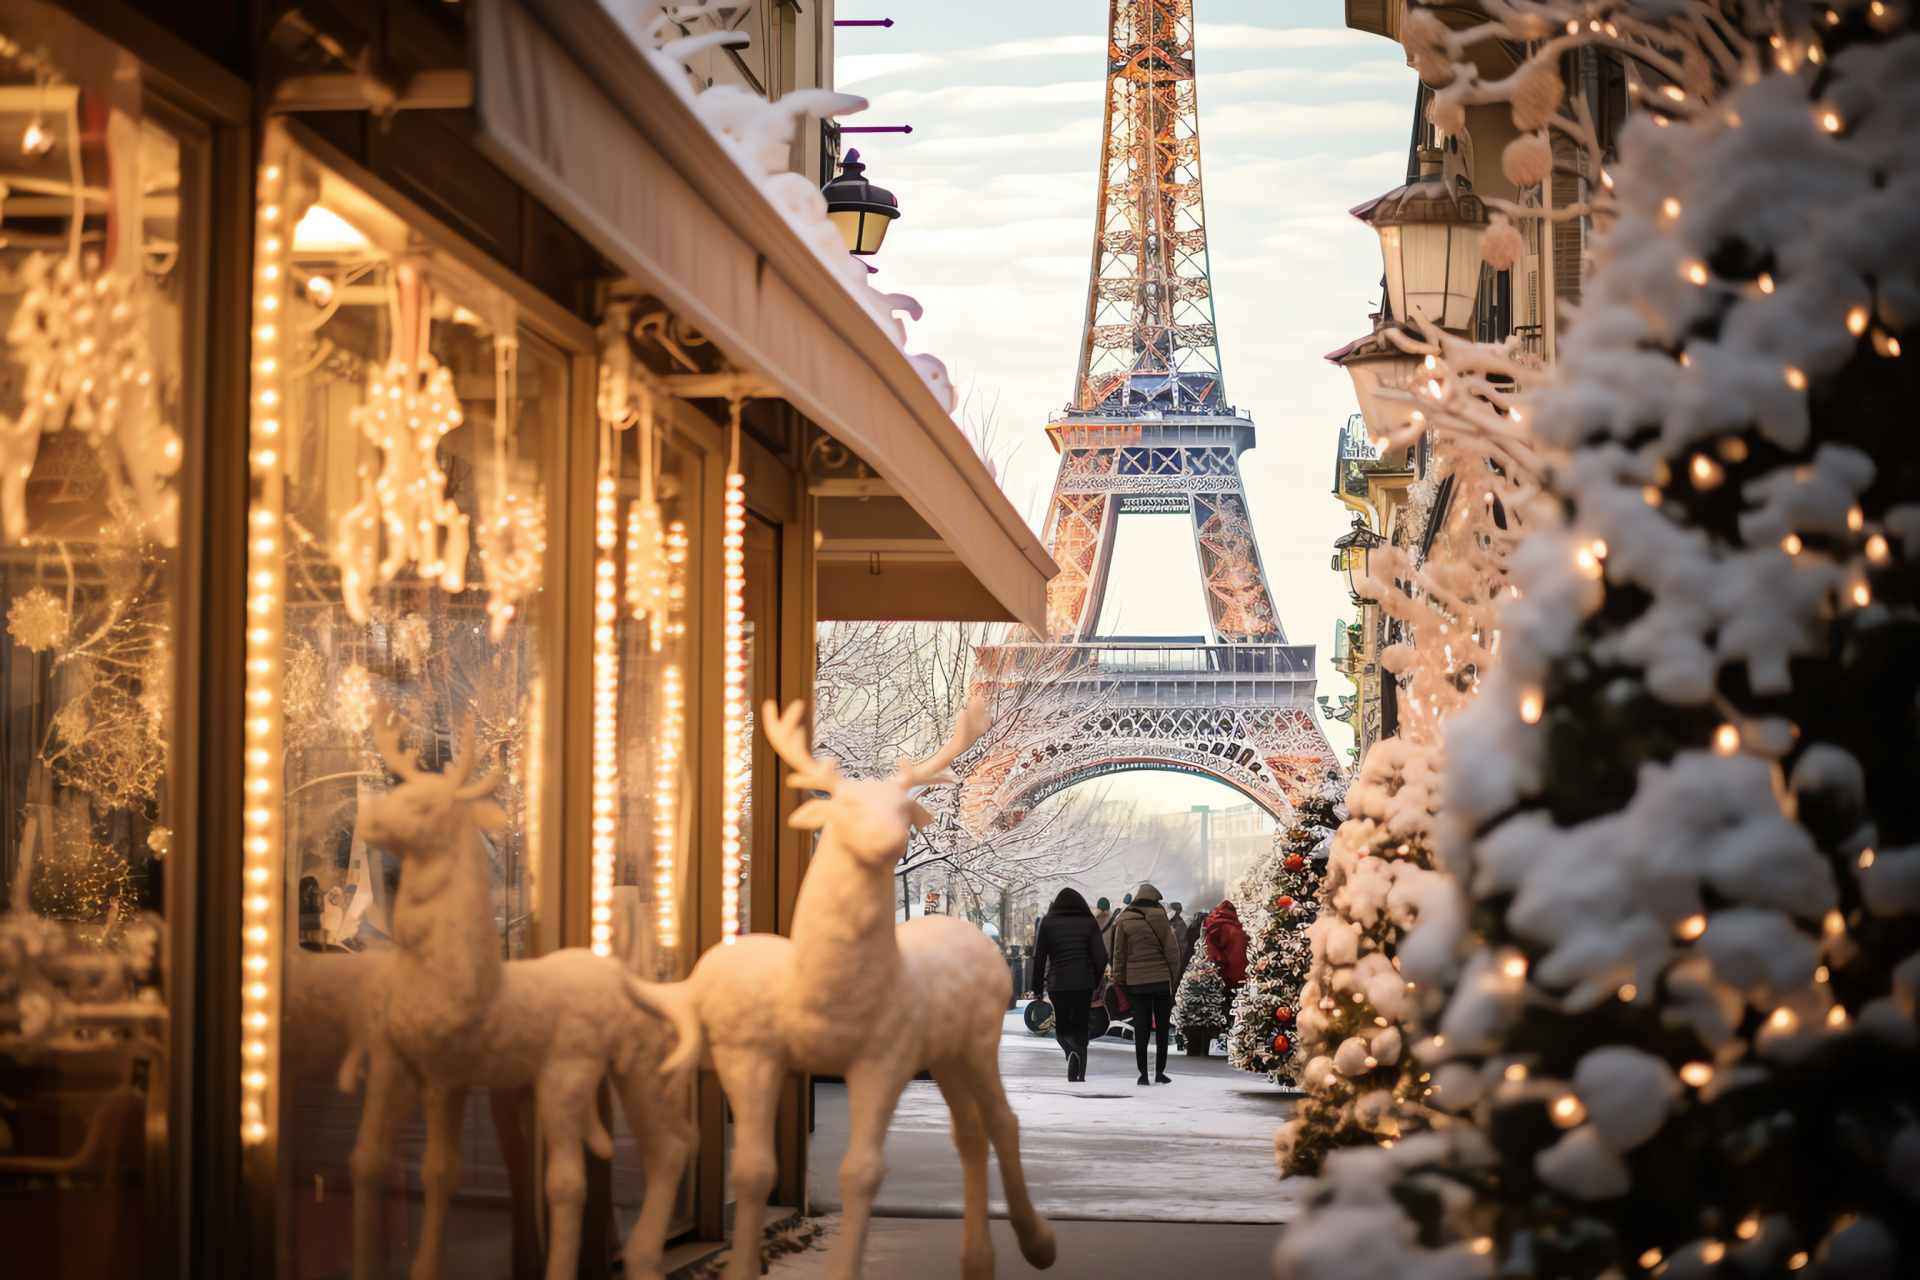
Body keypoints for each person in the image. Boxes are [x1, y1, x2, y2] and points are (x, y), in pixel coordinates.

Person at [1028, 887, 1108, 1081]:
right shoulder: (1089, 923)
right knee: (1081, 1023)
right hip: (1084, 983)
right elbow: (1101, 957)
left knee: (1063, 1024)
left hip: (1059, 983)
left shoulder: (1048, 923)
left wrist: (1037, 988)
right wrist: (1096, 981)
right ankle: (1079, 1067)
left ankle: (1069, 1047)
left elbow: (1039, 958)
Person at [1109, 881, 1183, 1085]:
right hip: (1161, 981)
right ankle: (1160, 1072)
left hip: (1136, 982)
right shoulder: (1161, 917)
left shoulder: (1125, 918)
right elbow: (1172, 951)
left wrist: (1118, 978)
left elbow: (1119, 953)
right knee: (1161, 1028)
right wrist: (1173, 979)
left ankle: (1143, 1074)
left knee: (1140, 1027)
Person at [1204, 899, 1249, 991]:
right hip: (1243, 972)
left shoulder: (1219, 928)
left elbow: (1212, 948)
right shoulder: (1239, 928)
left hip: (1227, 973)